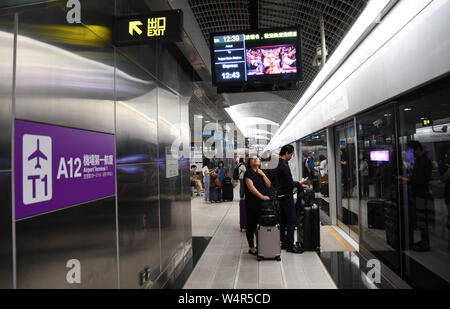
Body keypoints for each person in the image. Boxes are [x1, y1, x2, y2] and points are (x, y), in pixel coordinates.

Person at [399, 141, 433, 252]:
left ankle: (425, 244)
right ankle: (423, 241)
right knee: (419, 218)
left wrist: (407, 180)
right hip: (417, 193)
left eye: (412, 151)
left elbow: (421, 179)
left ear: (417, 149)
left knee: (422, 219)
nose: (411, 154)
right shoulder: (419, 160)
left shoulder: (424, 161)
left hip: (421, 193)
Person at [277, 145, 308, 254]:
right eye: (291, 154)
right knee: (291, 220)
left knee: (283, 220)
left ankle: (284, 243)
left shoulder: (278, 164)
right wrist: (300, 183)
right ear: (286, 153)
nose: (291, 156)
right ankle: (290, 246)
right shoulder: (283, 165)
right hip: (286, 195)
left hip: (280, 195)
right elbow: (289, 183)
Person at [244, 156, 271, 256]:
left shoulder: (261, 172)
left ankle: (261, 244)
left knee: (260, 224)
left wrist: (263, 174)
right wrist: (262, 196)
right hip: (252, 203)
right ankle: (252, 247)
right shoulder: (248, 173)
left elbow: (268, 185)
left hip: (262, 204)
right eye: (253, 159)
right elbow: (251, 187)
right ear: (249, 163)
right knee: (251, 225)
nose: (256, 160)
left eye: (257, 159)